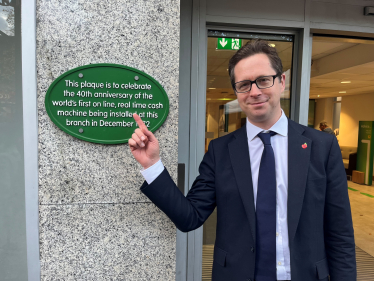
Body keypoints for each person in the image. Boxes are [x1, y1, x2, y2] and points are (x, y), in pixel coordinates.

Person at [129, 40, 356, 281]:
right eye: (244, 85)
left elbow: (340, 234)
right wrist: (152, 165)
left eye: (263, 80)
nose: (255, 91)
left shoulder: (321, 147)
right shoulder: (220, 151)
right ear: (236, 93)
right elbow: (189, 217)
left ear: (281, 82)